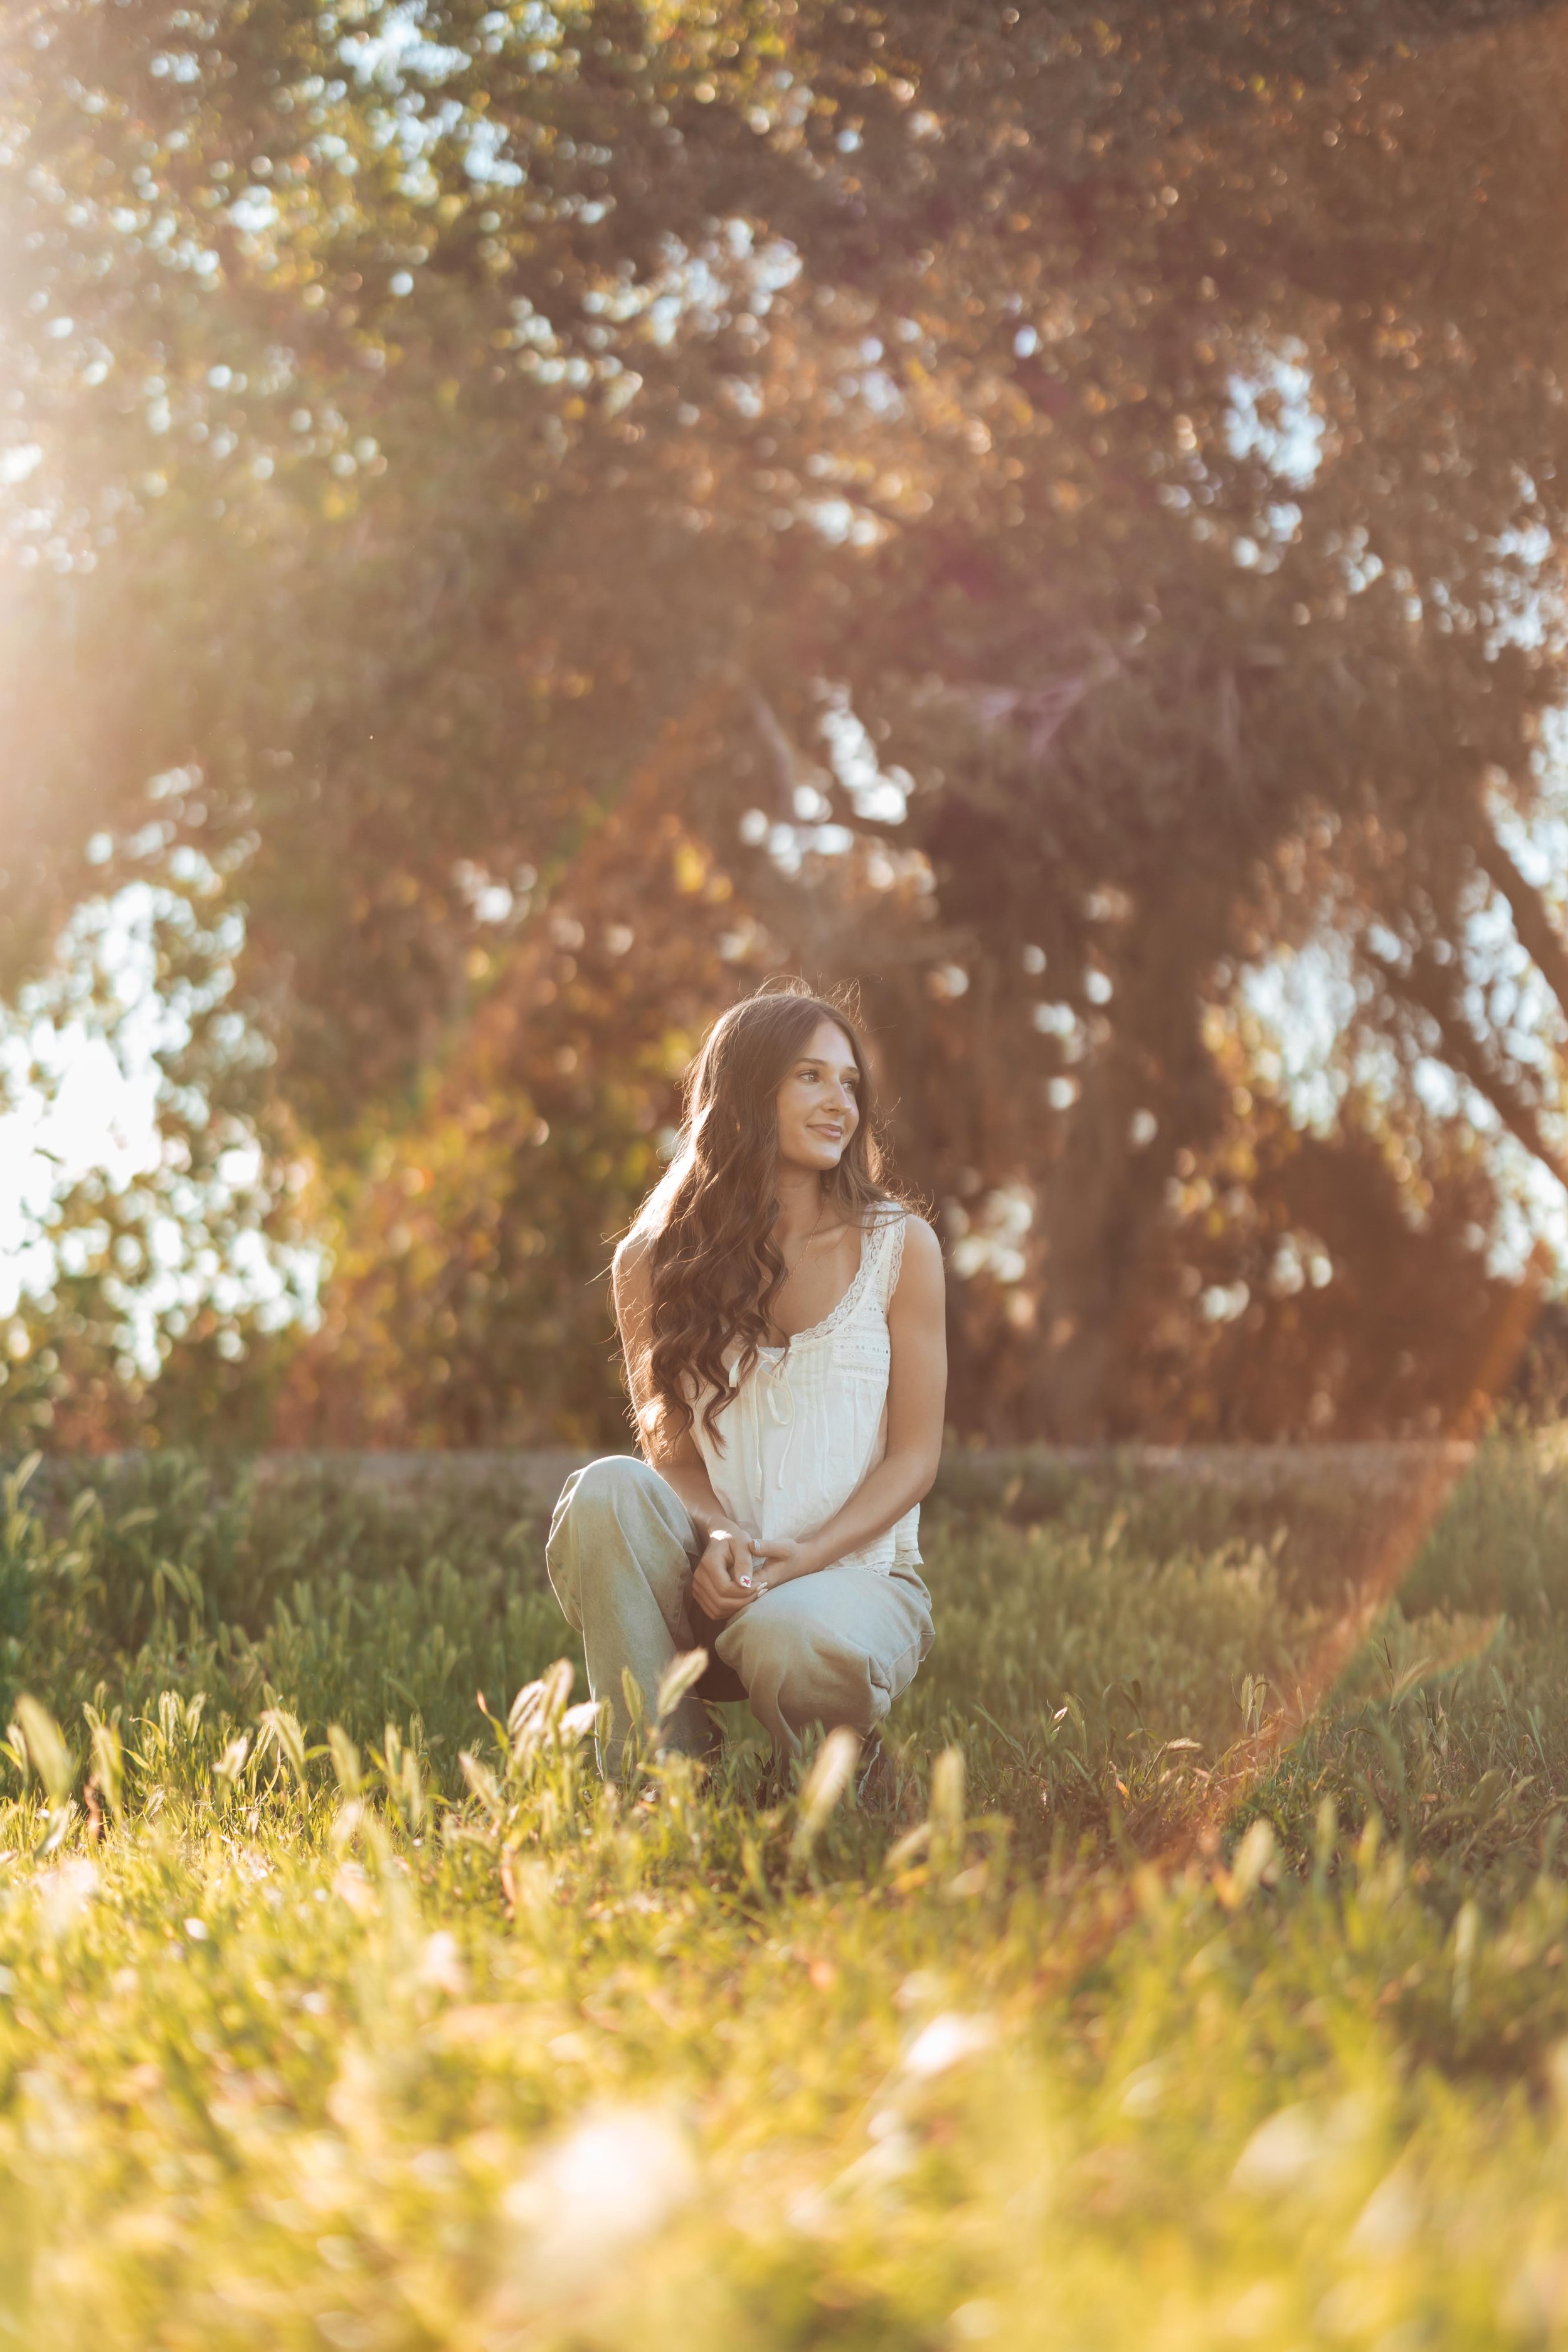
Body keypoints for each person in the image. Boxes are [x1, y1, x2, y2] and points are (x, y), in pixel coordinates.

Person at [546, 982, 946, 1779]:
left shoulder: (902, 1248)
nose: (842, 1103)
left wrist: (800, 1561)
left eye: (850, 1083)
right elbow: (674, 1460)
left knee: (784, 1631)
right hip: (708, 1589)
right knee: (604, 1491)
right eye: (811, 1077)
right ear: (745, 1089)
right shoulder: (650, 1263)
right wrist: (722, 1537)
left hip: (853, 1586)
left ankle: (841, 1773)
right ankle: (658, 1784)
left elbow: (914, 1459)